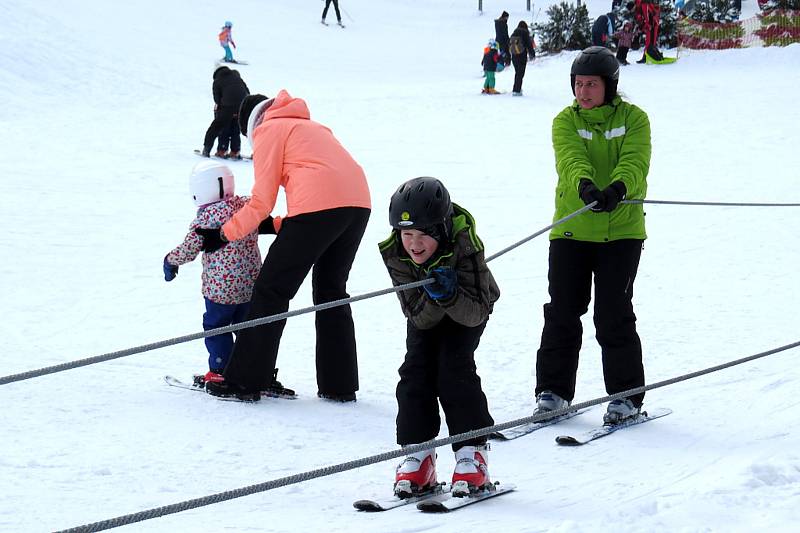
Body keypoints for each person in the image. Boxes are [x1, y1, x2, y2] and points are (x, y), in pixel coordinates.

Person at [195, 89, 372, 402]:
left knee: (271, 290)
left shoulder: (267, 130)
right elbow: (319, 186)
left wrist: (223, 234)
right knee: (332, 292)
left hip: (319, 210)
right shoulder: (312, 127)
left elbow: (262, 201)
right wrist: (277, 225)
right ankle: (339, 386)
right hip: (358, 205)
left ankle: (245, 381)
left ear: (249, 125)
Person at [533, 46, 651, 426]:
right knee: (562, 312)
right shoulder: (564, 120)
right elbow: (569, 158)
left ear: (610, 86)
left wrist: (618, 188)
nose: (583, 92)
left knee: (613, 314)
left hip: (621, 233)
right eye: (578, 84)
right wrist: (585, 186)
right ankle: (553, 392)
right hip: (572, 228)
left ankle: (626, 397)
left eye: (591, 85)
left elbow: (635, 160)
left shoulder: (635, 119)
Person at [379, 177, 500, 498]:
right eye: (407, 234)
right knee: (414, 372)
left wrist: (450, 294)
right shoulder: (395, 253)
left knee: (453, 368)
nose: (414, 244)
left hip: (469, 308)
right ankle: (419, 454)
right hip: (427, 312)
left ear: (441, 230)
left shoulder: (464, 244)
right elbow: (416, 315)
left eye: (422, 235)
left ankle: (471, 454)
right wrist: (436, 296)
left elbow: (475, 311)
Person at [163, 161, 263, 385]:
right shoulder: (246, 207)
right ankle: (255, 369)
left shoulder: (205, 219)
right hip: (250, 285)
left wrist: (170, 261)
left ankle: (221, 370)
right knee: (247, 328)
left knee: (216, 327)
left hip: (220, 291)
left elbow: (188, 250)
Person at [200, 65, 249, 158]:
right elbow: (247, 91)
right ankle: (235, 151)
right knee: (237, 128)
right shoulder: (236, 76)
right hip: (243, 105)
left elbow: (217, 100)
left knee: (216, 127)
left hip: (228, 106)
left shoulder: (217, 80)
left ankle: (212, 150)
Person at [509, 20, 536, 96]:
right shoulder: (525, 33)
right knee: (520, 74)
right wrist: (532, 54)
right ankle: (517, 90)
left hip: (514, 56)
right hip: (522, 56)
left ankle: (516, 88)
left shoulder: (514, 33)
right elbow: (529, 45)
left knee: (517, 73)